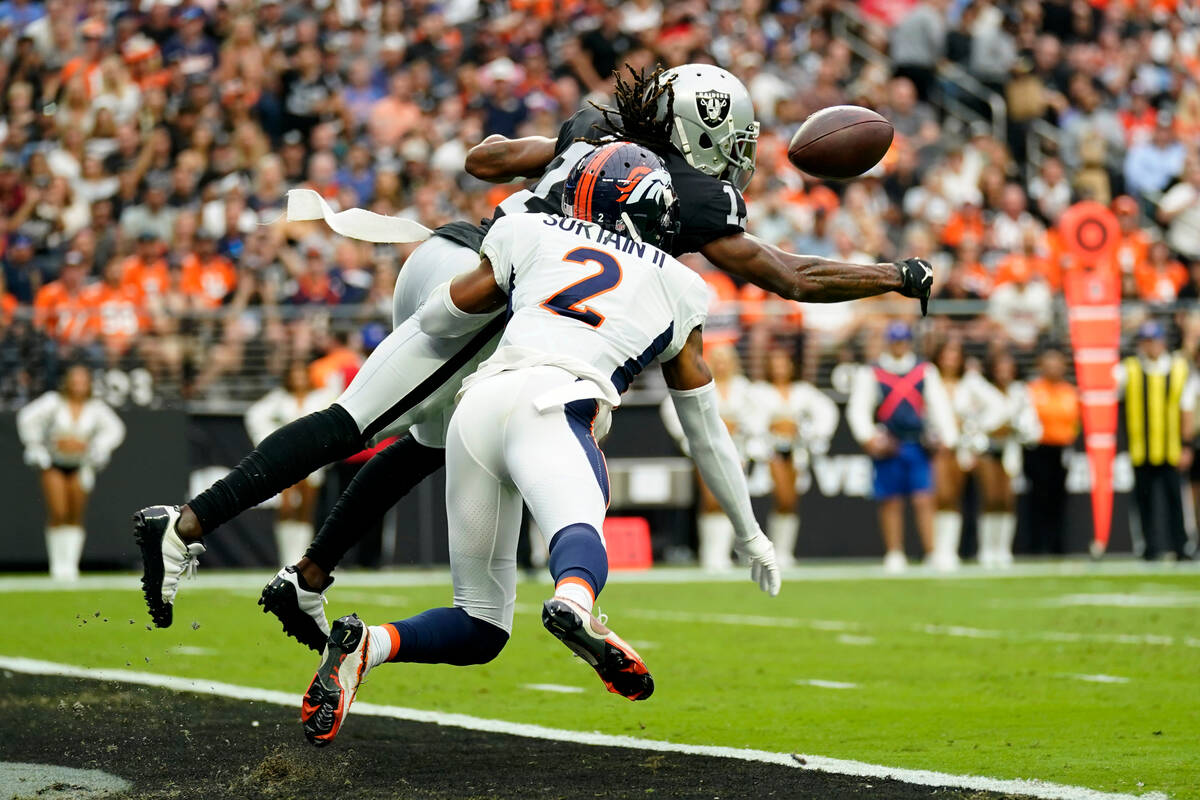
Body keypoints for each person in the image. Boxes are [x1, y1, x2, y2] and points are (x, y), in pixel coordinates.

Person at [133, 64, 932, 636]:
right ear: (701, 132)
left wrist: (564, 156)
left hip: (467, 252)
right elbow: (791, 276)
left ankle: (306, 579)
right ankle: (189, 527)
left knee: (429, 437)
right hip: (505, 298)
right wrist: (894, 273)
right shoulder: (688, 193)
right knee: (360, 422)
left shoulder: (599, 133)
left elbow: (483, 159)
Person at [299, 145, 780, 746]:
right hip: (555, 407)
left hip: (475, 410)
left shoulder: (528, 229)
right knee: (579, 530)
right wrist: (750, 533)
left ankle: (368, 646)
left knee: (480, 625)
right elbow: (705, 432)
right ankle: (575, 603)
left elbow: (443, 316)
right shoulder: (679, 284)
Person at [846, 322, 957, 572]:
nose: (899, 345)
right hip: (890, 442)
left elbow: (939, 406)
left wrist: (947, 437)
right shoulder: (873, 372)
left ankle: (932, 551)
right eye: (895, 340)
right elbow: (859, 409)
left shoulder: (924, 370)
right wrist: (869, 438)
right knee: (890, 500)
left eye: (903, 340)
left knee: (923, 498)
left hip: (917, 442)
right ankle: (894, 553)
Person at [16, 364, 125, 580]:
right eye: (74, 380)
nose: (78, 385)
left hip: (81, 464)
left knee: (75, 514)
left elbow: (116, 430)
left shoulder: (95, 408)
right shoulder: (53, 402)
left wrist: (94, 447)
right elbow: (26, 419)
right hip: (54, 463)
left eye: (83, 381)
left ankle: (71, 566)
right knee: (58, 512)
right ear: (67, 382)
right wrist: (37, 445)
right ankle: (57, 566)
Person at [660, 343, 755, 570]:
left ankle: (724, 553)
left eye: (726, 359)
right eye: (718, 359)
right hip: (708, 448)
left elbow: (757, 417)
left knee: (734, 499)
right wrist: (695, 435)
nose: (722, 364)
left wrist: (740, 430)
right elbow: (672, 408)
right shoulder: (701, 381)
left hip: (737, 449)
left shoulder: (745, 388)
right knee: (712, 498)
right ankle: (711, 553)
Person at [749, 346, 838, 567]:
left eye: (783, 362)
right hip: (769, 450)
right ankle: (767, 549)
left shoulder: (803, 391)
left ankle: (784, 551)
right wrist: (767, 428)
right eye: (775, 363)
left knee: (790, 501)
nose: (779, 368)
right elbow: (749, 417)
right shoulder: (758, 391)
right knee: (782, 496)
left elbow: (827, 412)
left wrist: (811, 433)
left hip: (795, 450)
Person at [244, 361, 338, 565]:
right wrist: (270, 444)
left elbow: (333, 422)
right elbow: (255, 416)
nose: (299, 379)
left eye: (302, 374)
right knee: (286, 507)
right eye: (295, 375)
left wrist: (324, 449)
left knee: (307, 508)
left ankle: (302, 559)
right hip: (286, 459)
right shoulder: (279, 398)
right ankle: (286, 559)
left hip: (313, 458)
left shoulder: (321, 397)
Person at [1115, 322, 1194, 561]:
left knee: (1175, 501)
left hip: (1171, 448)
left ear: (1162, 342)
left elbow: (1186, 409)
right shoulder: (1128, 369)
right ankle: (1150, 547)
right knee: (1144, 501)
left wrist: (1186, 445)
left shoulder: (1179, 368)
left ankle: (1180, 546)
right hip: (1140, 448)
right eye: (1146, 341)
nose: (1151, 345)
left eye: (1155, 340)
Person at [931, 338, 1008, 570]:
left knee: (991, 496)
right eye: (946, 353)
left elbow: (999, 406)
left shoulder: (971, 381)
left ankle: (990, 551)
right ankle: (943, 552)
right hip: (939, 447)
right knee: (944, 497)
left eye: (955, 353)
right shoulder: (929, 378)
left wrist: (975, 427)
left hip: (967, 446)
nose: (950, 359)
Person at [978, 350, 1041, 568]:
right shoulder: (983, 389)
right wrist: (997, 427)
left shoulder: (1020, 392)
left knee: (1007, 499)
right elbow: (980, 422)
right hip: (987, 449)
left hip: (1011, 450)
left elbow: (1031, 425)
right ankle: (987, 549)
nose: (1004, 371)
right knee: (991, 498)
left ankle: (1003, 549)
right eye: (999, 366)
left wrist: (1018, 429)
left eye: (1008, 366)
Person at [1024, 349, 1080, 555]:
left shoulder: (1069, 391)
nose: (1053, 368)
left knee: (1059, 499)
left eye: (1057, 364)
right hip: (1038, 450)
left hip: (1061, 450)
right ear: (1041, 366)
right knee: (1038, 498)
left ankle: (1057, 545)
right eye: (1049, 364)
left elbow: (1075, 422)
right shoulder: (1032, 389)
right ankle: (1037, 546)